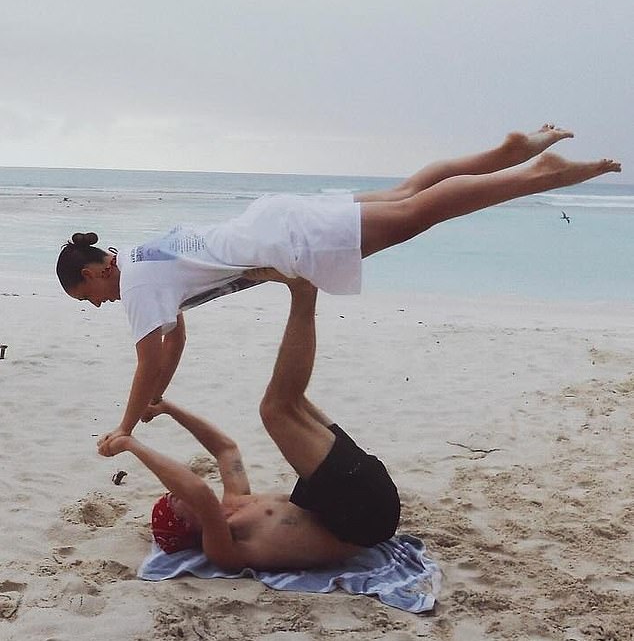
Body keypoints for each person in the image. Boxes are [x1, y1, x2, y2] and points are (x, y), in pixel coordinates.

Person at [56, 125, 621, 449]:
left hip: (291, 243)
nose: (98, 305)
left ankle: (536, 174)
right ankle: (507, 153)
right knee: (405, 194)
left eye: (88, 297)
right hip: (275, 217)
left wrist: (125, 427)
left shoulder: (134, 284)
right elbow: (172, 346)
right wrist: (155, 399)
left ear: (95, 272)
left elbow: (146, 359)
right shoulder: (138, 253)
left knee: (421, 212)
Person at [98, 278, 401, 571]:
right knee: (275, 409)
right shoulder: (224, 546)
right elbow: (200, 493)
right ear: (186, 525)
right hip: (363, 520)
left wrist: (168, 408)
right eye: (175, 499)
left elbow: (225, 449)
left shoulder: (236, 502)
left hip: (356, 498)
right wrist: (131, 444)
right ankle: (303, 290)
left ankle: (304, 288)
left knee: (292, 402)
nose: (177, 492)